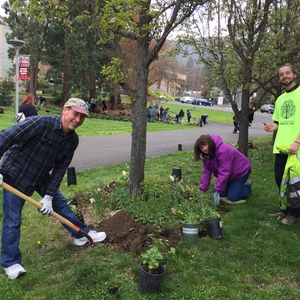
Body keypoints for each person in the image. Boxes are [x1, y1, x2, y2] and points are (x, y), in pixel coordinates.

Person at [0, 98, 106, 280]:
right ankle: (11, 263)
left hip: (40, 175)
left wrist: (49, 196)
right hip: (14, 175)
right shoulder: (39, 124)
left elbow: (59, 169)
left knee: (61, 204)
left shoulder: (72, 140)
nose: (78, 120)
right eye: (75, 114)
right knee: (12, 220)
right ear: (65, 110)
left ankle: (81, 234)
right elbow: (5, 136)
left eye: (82, 117)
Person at [263, 63, 300, 225]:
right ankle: (284, 209)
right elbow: (279, 122)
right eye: (281, 74)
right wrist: (272, 127)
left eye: (287, 73)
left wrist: (297, 141)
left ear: (294, 74)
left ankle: (294, 213)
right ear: (279, 79)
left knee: (295, 184)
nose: (285, 76)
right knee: (280, 180)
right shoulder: (280, 99)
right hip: (281, 147)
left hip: (296, 148)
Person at [194, 134, 252, 203]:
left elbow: (224, 172)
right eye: (202, 147)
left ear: (210, 142)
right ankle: (233, 186)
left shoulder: (223, 151)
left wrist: (217, 190)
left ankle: (247, 186)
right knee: (222, 194)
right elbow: (206, 173)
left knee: (233, 197)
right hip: (230, 175)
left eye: (206, 145)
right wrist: (202, 190)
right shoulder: (206, 157)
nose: (204, 148)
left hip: (240, 171)